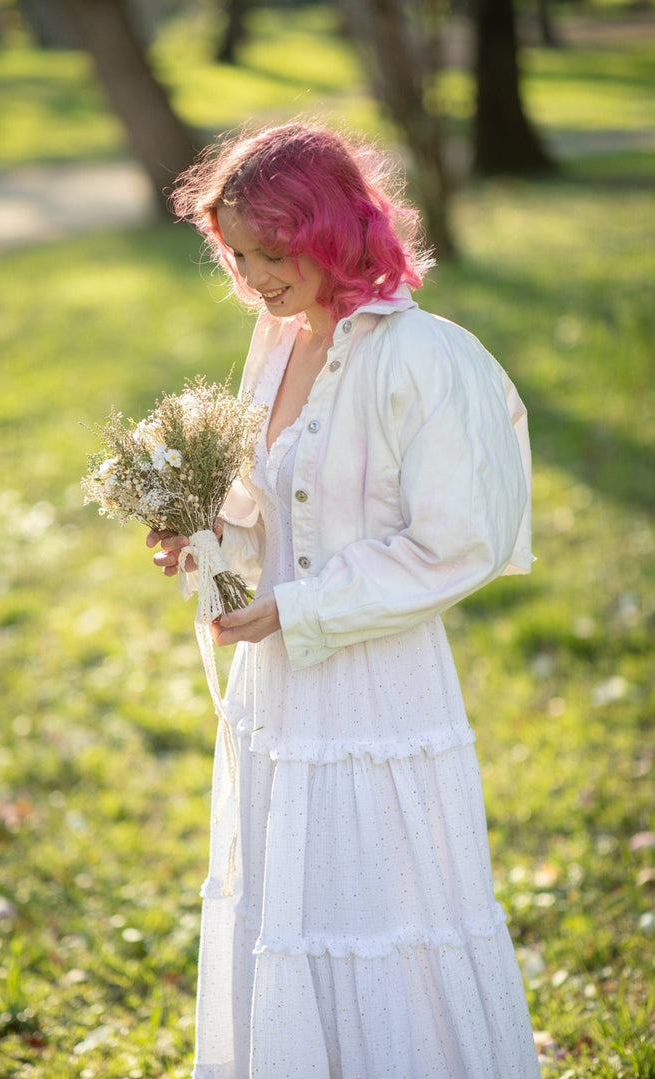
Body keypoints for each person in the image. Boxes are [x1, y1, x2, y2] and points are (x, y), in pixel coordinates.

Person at [147, 122, 541, 1078]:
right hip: (278, 687)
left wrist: (302, 607)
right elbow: (280, 507)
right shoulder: (277, 343)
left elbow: (460, 542)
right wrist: (210, 538)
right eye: (235, 255)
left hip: (375, 686)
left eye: (272, 253)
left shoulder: (424, 356)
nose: (253, 277)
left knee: (382, 913)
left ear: (330, 231)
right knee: (289, 907)